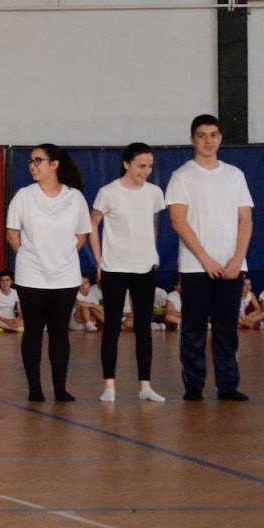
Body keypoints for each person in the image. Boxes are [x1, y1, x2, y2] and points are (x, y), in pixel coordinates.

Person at [167, 114, 253, 401]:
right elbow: (178, 221)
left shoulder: (235, 175)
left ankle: (228, 386)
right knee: (193, 329)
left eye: (213, 135)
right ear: (192, 139)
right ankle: (194, 387)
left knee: (227, 329)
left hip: (231, 267)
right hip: (196, 267)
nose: (208, 141)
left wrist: (237, 259)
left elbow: (245, 219)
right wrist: (205, 259)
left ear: (220, 138)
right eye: (201, 135)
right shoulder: (182, 176)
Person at [6, 144, 90, 403]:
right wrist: (30, 257)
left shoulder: (75, 198)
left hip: (65, 276)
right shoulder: (24, 196)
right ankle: (35, 388)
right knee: (33, 330)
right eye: (31, 161)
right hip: (32, 275)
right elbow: (12, 233)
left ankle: (60, 388)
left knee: (59, 332)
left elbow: (82, 235)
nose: (32, 165)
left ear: (54, 164)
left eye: (38, 160)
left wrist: (62, 256)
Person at [89, 141, 168, 402]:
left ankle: (145, 386)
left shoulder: (154, 192)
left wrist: (151, 252)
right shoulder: (108, 192)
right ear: (126, 164)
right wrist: (99, 261)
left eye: (150, 166)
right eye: (141, 166)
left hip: (144, 267)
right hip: (114, 267)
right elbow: (93, 224)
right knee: (112, 326)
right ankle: (109, 386)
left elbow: (152, 223)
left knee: (143, 326)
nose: (146, 171)